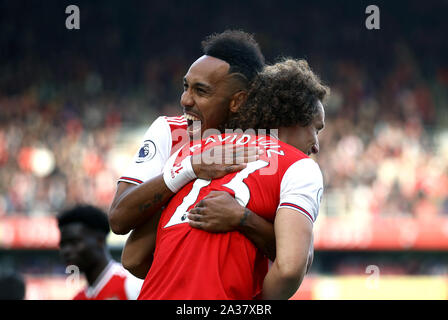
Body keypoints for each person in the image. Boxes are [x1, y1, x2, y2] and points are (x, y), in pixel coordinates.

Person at [137, 58, 328, 300]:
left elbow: (132, 257)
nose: (316, 145)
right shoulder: (299, 166)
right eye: (316, 129)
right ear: (296, 118)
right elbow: (291, 268)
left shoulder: (194, 152)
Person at [109, 30, 279, 277]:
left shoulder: (266, 147)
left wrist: (242, 218)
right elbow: (119, 220)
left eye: (201, 91)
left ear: (238, 101)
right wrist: (190, 169)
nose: (185, 100)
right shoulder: (169, 130)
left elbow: (291, 256)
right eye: (185, 86)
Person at [57, 204, 143, 300]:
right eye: (62, 245)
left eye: (74, 242)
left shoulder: (132, 285)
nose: (66, 251)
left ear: (100, 240)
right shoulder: (78, 297)